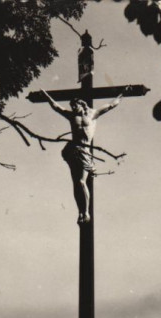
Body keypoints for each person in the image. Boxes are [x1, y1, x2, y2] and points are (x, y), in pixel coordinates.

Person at [41, 89, 122, 224]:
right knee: (76, 183)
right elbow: (56, 106)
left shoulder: (92, 114)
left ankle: (86, 212)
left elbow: (111, 105)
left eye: (75, 106)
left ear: (82, 104)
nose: (73, 108)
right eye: (72, 106)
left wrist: (122, 94)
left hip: (85, 151)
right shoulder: (71, 116)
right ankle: (80, 212)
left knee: (81, 182)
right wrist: (45, 95)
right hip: (73, 150)